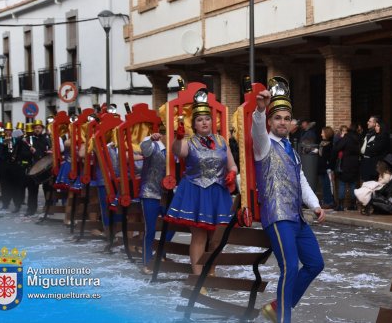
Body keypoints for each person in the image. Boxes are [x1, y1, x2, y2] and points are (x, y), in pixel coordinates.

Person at [252, 77, 325, 323]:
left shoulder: (290, 149)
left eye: (286, 118)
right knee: (290, 268)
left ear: (291, 122)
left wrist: (315, 205)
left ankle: (276, 308)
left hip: (297, 217)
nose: (282, 122)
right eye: (277, 118)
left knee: (315, 263)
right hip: (277, 215)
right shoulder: (263, 145)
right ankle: (283, 319)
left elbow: (301, 179)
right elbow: (257, 130)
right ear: (271, 121)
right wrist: (261, 110)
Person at [164, 88, 237, 276]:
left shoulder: (221, 141)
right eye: (199, 120)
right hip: (196, 191)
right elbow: (178, 152)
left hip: (217, 193)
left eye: (207, 119)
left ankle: (211, 271)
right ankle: (198, 277)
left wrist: (231, 174)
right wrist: (178, 138)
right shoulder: (189, 142)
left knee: (216, 238)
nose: (204, 122)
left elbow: (233, 166)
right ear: (194, 124)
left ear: (212, 121)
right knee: (199, 235)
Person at [139, 129, 174, 275]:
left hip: (170, 195)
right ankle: (147, 263)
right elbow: (144, 148)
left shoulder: (176, 148)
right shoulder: (154, 145)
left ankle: (160, 254)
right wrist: (150, 139)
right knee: (150, 230)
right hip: (150, 193)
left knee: (172, 226)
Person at [333, 124, 361, 211]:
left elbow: (337, 148)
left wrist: (340, 139)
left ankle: (340, 205)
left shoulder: (346, 138)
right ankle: (353, 204)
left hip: (345, 163)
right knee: (353, 184)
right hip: (356, 164)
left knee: (342, 183)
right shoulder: (358, 138)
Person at [360, 116, 390, 181]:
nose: (376, 127)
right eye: (376, 126)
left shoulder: (383, 136)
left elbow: (375, 149)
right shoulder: (376, 136)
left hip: (379, 164)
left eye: (378, 126)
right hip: (372, 163)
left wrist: (370, 148)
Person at [317, 126, 335, 209]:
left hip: (326, 168)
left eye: (322, 132)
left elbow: (330, 157)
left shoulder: (329, 145)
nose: (321, 134)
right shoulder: (322, 143)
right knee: (323, 185)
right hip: (321, 167)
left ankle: (329, 202)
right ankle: (325, 200)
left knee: (327, 185)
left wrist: (329, 167)